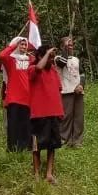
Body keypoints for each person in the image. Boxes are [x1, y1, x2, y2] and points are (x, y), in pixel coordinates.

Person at [29, 44, 64, 183]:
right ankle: (37, 174)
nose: (51, 60)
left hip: (53, 113)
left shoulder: (54, 71)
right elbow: (38, 68)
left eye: (52, 58)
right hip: (38, 114)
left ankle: (49, 174)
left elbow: (57, 91)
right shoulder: (33, 69)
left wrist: (60, 111)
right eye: (49, 57)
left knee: (52, 145)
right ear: (40, 56)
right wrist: (47, 53)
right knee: (36, 146)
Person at [0, 36, 33, 152]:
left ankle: (26, 147)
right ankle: (13, 148)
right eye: (21, 44)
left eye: (25, 44)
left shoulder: (30, 59)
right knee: (13, 125)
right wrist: (13, 45)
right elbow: (2, 56)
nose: (23, 46)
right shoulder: (10, 60)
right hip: (14, 97)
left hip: (28, 98)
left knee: (26, 125)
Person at [55, 36, 84, 147]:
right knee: (66, 116)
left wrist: (81, 85)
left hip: (78, 91)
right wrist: (65, 50)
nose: (71, 47)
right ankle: (63, 139)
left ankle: (77, 141)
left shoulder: (76, 59)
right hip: (66, 91)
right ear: (62, 46)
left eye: (71, 45)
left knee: (78, 117)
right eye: (68, 45)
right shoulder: (58, 58)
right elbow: (62, 63)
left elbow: (82, 74)